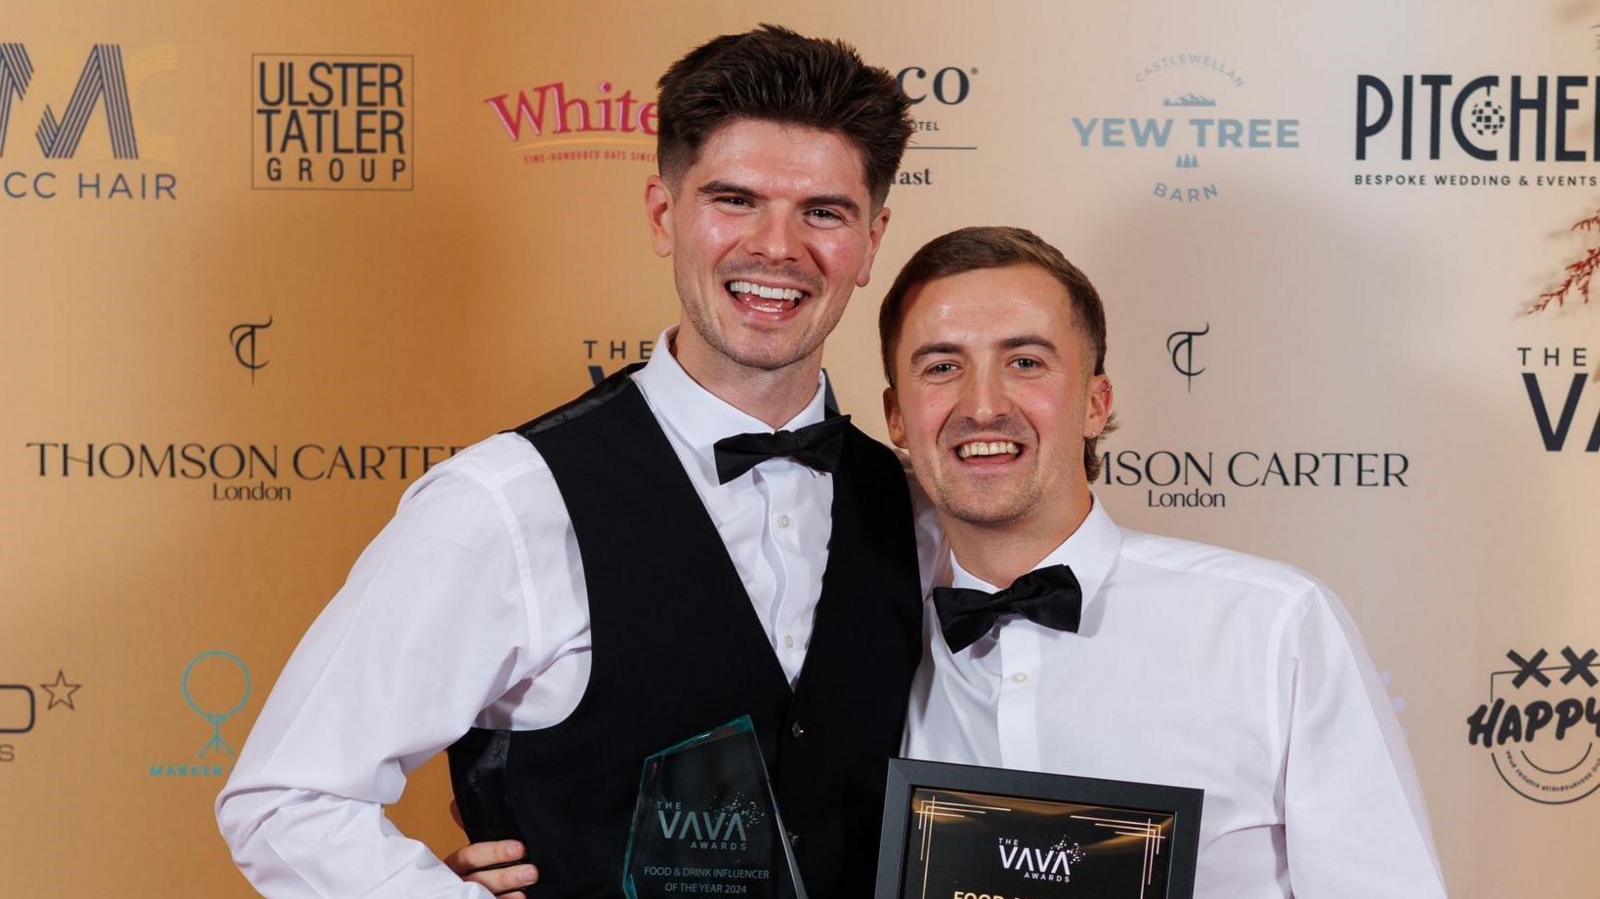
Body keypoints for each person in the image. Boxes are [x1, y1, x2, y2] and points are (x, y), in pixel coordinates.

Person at [216, 26, 929, 899]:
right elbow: (286, 797)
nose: (777, 247)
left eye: (823, 211)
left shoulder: (915, 506)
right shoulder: (505, 503)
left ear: (871, 241)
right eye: (734, 200)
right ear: (665, 215)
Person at [882, 226, 1449, 898]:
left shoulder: (1272, 627)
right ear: (897, 418)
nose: (983, 405)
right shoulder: (869, 631)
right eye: (942, 366)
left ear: (1097, 403)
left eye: (1026, 362)